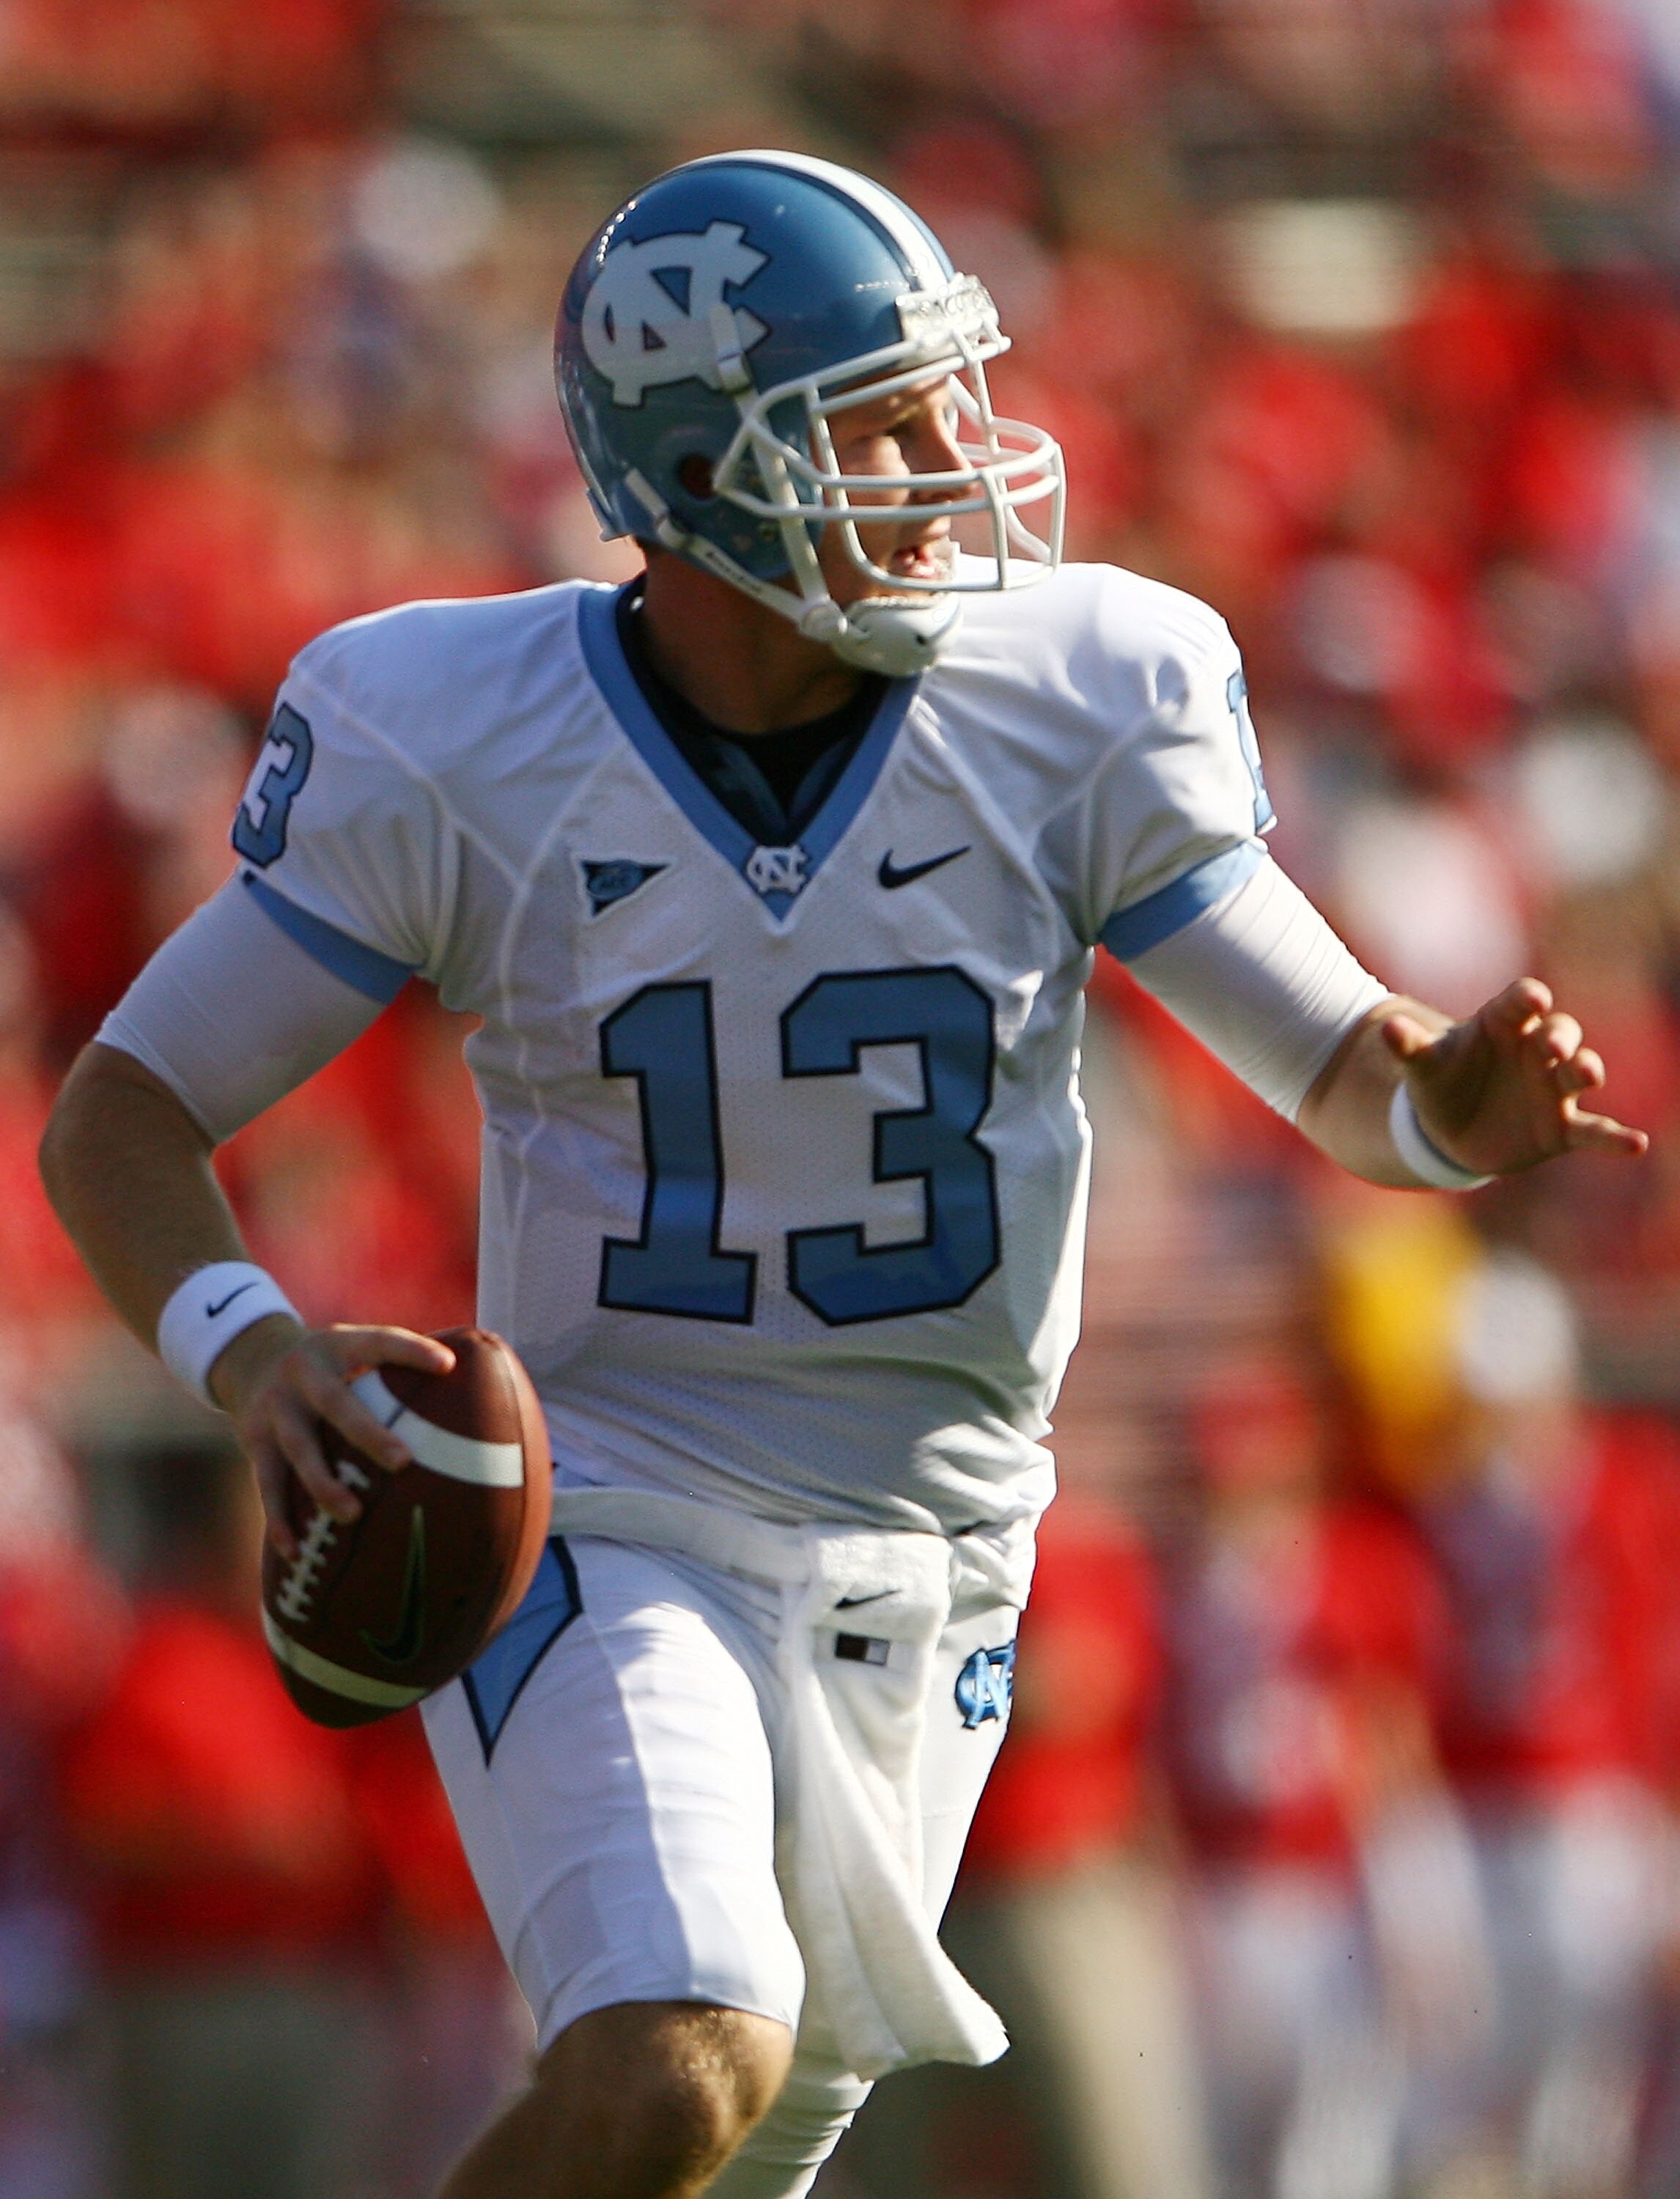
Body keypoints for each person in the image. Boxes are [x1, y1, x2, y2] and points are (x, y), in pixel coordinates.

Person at [37, 150, 1646, 2199]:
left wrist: (1454, 1112)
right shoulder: (458, 733)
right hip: (612, 1505)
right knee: (677, 2057)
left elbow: (1351, 1076)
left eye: (947, 397)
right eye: (876, 420)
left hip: (936, 1557)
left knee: (731, 2147)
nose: (951, 460)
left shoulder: (1075, 695)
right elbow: (123, 1113)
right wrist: (251, 1356)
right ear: (701, 471)